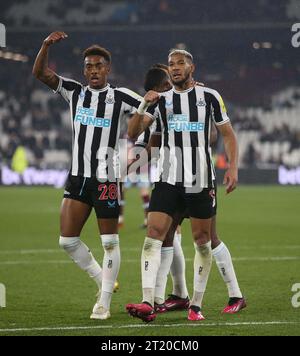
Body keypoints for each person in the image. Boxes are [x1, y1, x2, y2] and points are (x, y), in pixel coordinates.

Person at [32, 31, 142, 320]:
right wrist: (45, 46)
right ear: (85, 70)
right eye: (88, 66)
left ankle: (103, 303)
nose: (93, 71)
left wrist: (173, 93)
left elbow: (153, 108)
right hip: (79, 177)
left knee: (109, 243)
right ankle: (101, 279)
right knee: (67, 241)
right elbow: (40, 73)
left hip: (106, 178)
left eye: (98, 66)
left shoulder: (121, 96)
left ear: (108, 68)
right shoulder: (74, 91)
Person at [126, 49, 239, 322]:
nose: (175, 68)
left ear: (192, 67)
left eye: (180, 63)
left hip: (200, 179)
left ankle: (196, 305)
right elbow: (132, 133)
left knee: (203, 241)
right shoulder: (160, 101)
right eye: (171, 64)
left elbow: (228, 134)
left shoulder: (209, 97)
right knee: (154, 234)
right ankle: (147, 302)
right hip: (167, 180)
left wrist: (233, 167)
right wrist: (143, 105)